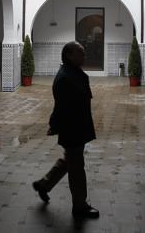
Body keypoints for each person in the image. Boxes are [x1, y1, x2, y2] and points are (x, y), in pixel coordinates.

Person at [32, 41, 99, 219]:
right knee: (77, 168)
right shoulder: (64, 78)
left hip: (79, 126)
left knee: (70, 160)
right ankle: (79, 205)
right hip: (73, 129)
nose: (84, 55)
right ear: (69, 55)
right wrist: (54, 125)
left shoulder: (74, 73)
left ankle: (44, 184)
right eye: (80, 52)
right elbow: (61, 107)